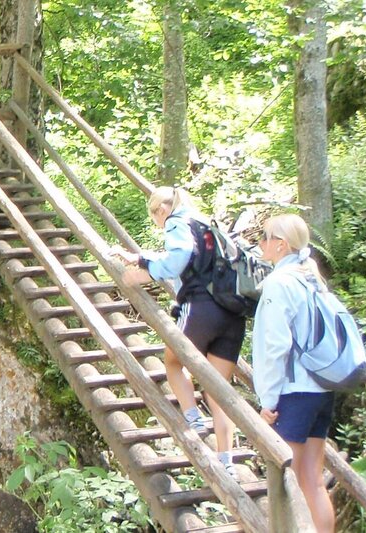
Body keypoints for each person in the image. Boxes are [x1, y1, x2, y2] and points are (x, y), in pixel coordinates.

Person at [111, 186, 245, 478]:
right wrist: (141, 259)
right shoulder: (205, 223)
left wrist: (148, 273)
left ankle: (193, 418)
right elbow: (193, 254)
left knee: (173, 362)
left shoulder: (175, 222)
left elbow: (181, 254)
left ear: (161, 209)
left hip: (201, 308)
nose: (159, 223)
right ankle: (227, 460)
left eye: (155, 217)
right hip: (232, 314)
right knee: (219, 389)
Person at [252, 213, 334, 532]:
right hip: (322, 388)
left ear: (281, 245)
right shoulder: (313, 280)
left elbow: (275, 346)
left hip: (294, 391)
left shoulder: (279, 282)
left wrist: (268, 400)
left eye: (264, 236)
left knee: (289, 482)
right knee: (312, 480)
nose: (260, 242)